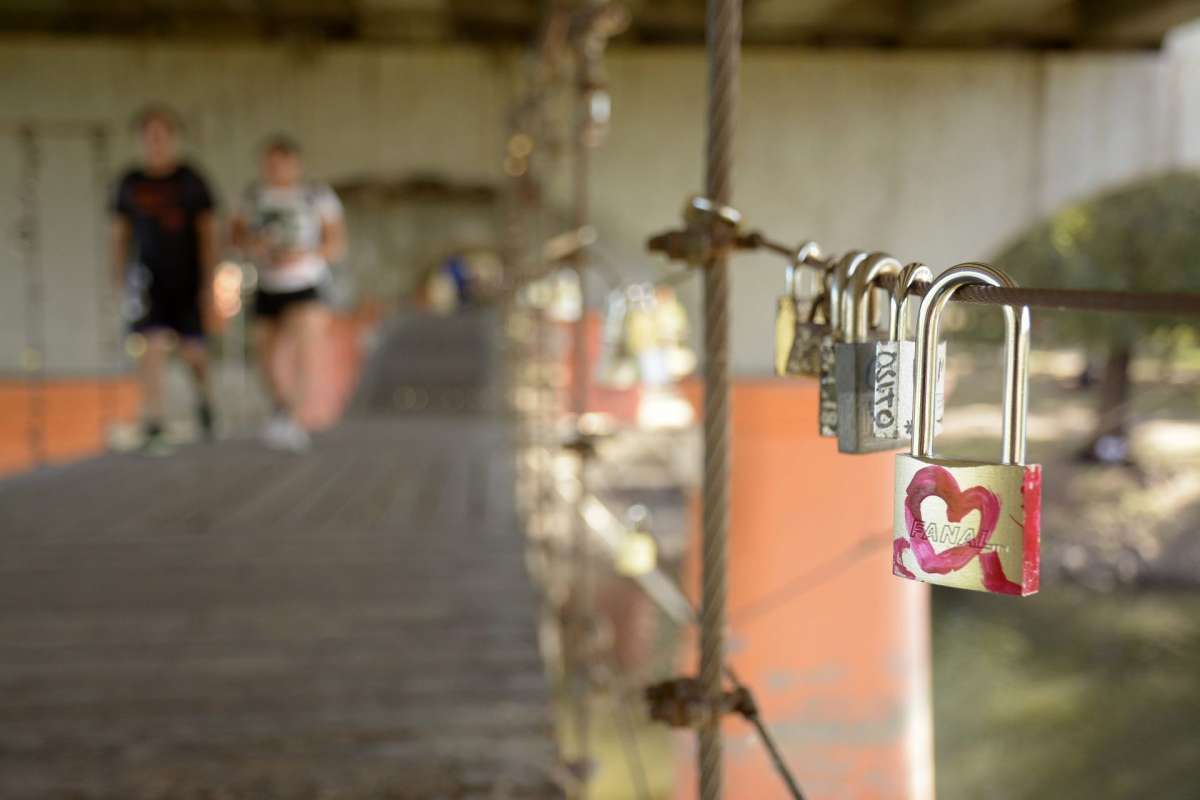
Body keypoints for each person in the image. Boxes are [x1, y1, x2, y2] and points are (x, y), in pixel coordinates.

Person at [111, 105, 218, 453]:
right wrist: (117, 276)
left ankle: (204, 402)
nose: (155, 141)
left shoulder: (190, 180)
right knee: (151, 346)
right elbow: (120, 234)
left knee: (193, 352)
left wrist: (209, 282)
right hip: (148, 281)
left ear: (172, 138)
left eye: (161, 134)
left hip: (187, 280)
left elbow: (207, 233)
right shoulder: (130, 183)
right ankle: (155, 421)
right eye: (149, 135)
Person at [232, 135, 346, 452]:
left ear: (296, 164)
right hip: (268, 285)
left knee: (304, 352)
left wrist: (304, 255)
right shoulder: (253, 196)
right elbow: (236, 236)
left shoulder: (316, 196)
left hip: (306, 285)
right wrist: (254, 246)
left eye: (283, 161)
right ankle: (282, 409)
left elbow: (336, 244)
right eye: (270, 162)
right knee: (265, 357)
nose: (277, 168)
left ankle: (295, 417)